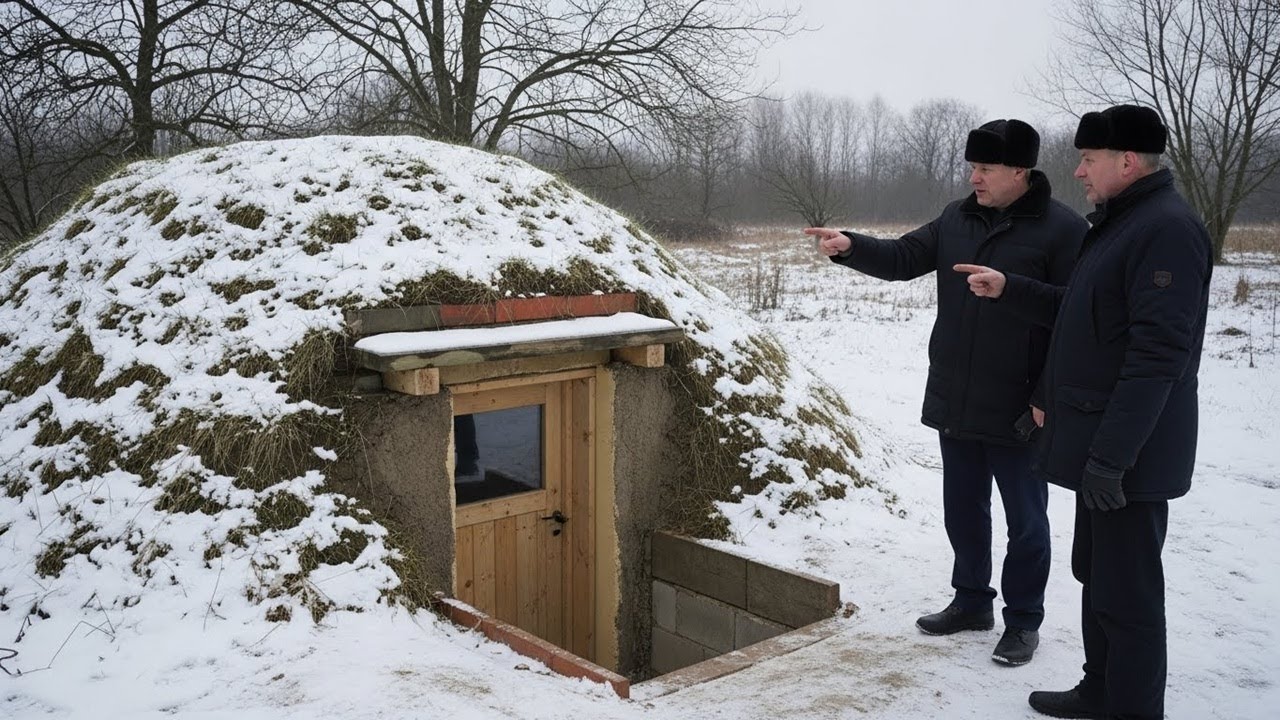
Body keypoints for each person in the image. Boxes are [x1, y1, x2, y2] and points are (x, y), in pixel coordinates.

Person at [955, 105, 1213, 719]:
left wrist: (1112, 459)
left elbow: (1158, 358)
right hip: (1108, 451)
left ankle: (1132, 708)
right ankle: (1101, 688)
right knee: (1097, 578)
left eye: (1089, 159)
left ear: (1126, 161)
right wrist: (1012, 287)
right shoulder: (1124, 222)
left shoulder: (1166, 229)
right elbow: (1086, 309)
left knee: (1129, 595)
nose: (1077, 171)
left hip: (1132, 457)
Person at [805, 119, 1088, 666]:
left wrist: (1048, 395)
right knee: (963, 509)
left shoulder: (1062, 230)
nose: (974, 177)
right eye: (972, 167)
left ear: (1019, 171)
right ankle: (971, 601)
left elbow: (1074, 319)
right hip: (958, 396)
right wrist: (850, 247)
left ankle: (1023, 621)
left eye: (985, 168)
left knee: (1027, 521)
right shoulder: (958, 217)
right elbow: (906, 257)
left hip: (1023, 406)